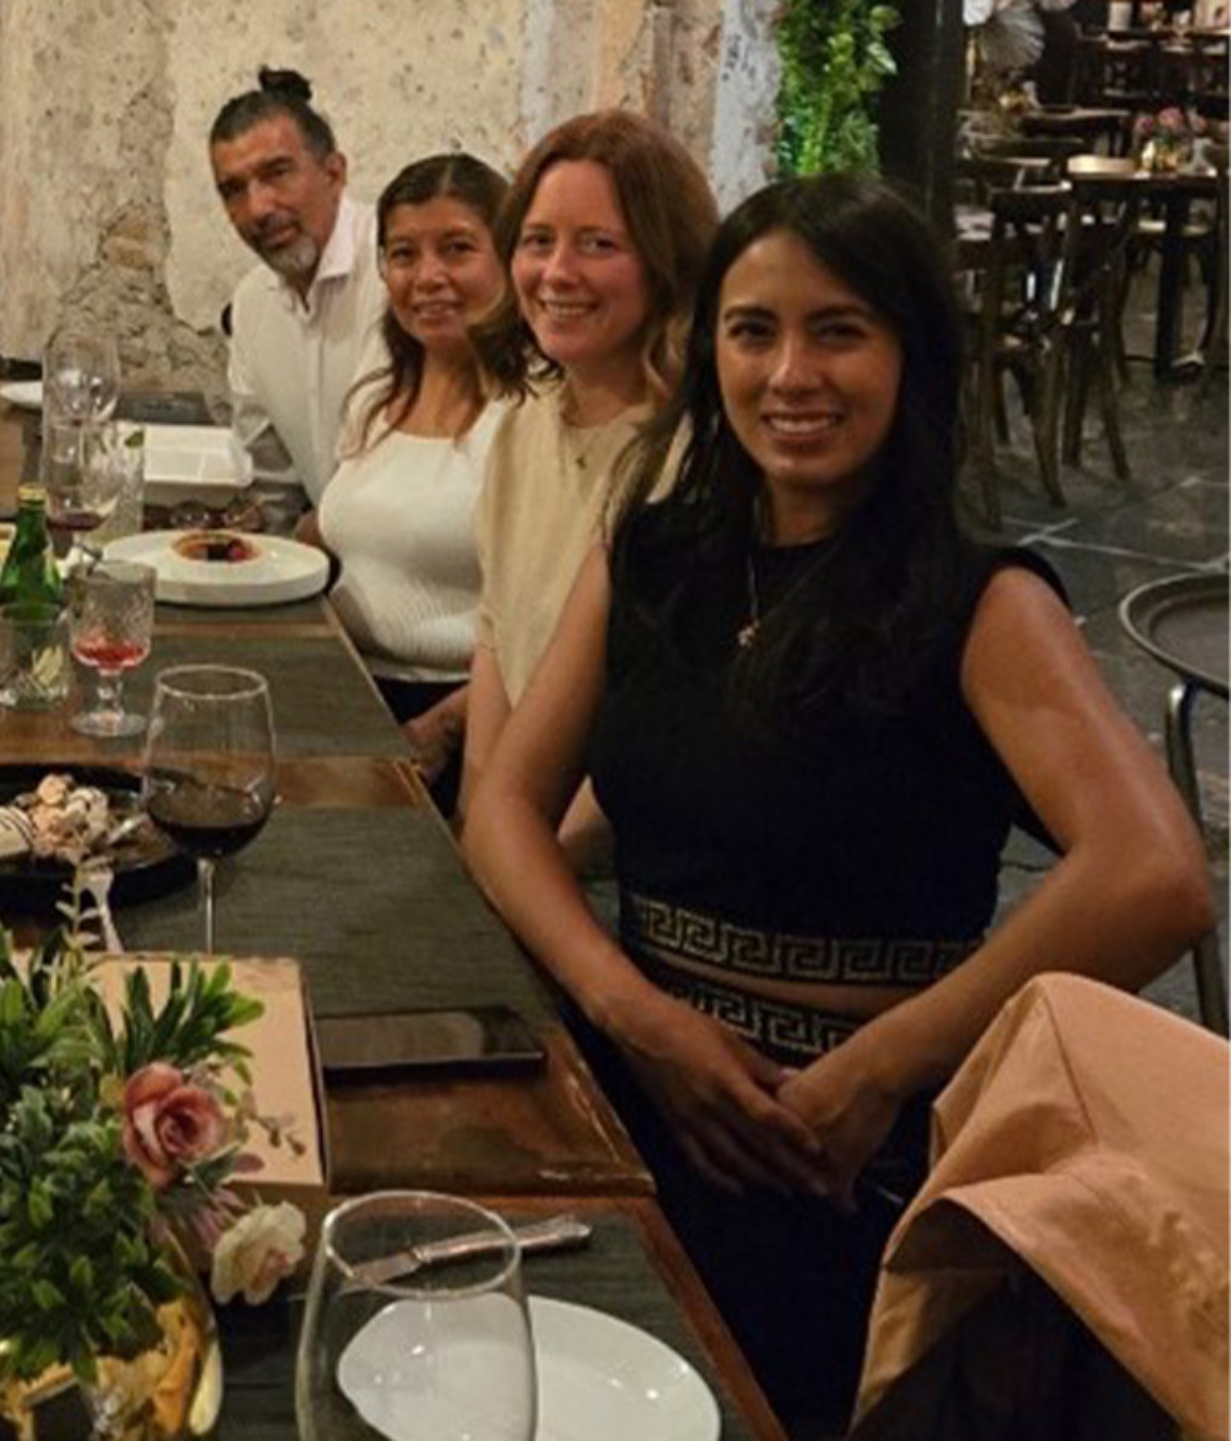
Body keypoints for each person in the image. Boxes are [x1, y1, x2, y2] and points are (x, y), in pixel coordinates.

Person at [462, 174, 1215, 1433]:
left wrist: (877, 1069)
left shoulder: (974, 601)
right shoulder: (651, 556)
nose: (790, 373)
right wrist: (631, 1011)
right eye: (753, 331)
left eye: (839, 330)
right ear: (710, 352)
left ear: (912, 358)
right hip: (635, 1093)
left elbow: (1155, 873)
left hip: (843, 1154)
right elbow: (501, 812)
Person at [460, 110, 717, 848]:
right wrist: (478, 828)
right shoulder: (524, 420)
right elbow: (498, 639)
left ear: (667, 261)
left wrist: (531, 863)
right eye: (538, 241)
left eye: (598, 245)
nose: (557, 273)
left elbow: (668, 717)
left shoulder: (697, 452)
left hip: (632, 856)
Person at [308, 153, 516, 814]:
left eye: (457, 249)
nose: (428, 277)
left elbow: (551, 627)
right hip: (344, 690)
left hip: (461, 726)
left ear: (509, 260)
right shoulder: (381, 388)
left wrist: (447, 726)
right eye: (403, 254)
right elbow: (344, 524)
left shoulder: (534, 412)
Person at [208, 67, 389, 505]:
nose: (257, 208)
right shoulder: (252, 304)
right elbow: (272, 485)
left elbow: (403, 475)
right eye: (233, 189)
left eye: (277, 174)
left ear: (334, 174)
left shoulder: (395, 271)